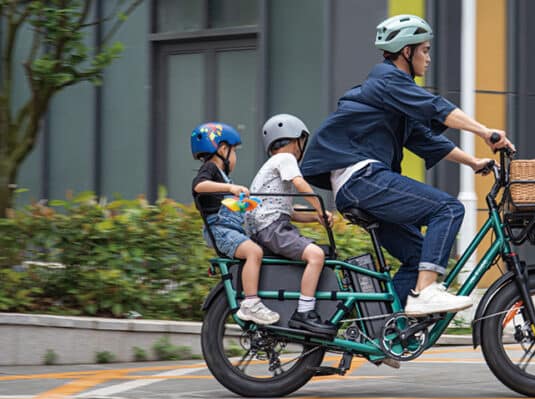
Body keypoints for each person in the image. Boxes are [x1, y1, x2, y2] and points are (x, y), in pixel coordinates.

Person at [300, 14, 515, 316]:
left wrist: (472, 162)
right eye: (424, 50)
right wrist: (485, 132)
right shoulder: (386, 80)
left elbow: (425, 139)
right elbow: (435, 107)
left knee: (416, 256)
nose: (428, 58)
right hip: (362, 179)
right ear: (406, 52)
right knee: (448, 208)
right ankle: (425, 292)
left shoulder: (393, 97)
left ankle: (388, 330)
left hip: (361, 186)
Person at [245, 114, 337, 336]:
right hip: (273, 228)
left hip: (270, 227)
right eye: (302, 142)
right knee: (316, 255)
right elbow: (300, 184)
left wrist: (315, 217)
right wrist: (318, 207)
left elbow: (289, 212)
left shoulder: (271, 165)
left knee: (318, 252)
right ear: (295, 140)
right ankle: (304, 313)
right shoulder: (285, 159)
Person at [190, 122, 280, 325]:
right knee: (254, 252)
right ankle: (251, 304)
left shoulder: (222, 178)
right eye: (234, 151)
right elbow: (199, 186)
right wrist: (231, 190)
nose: (235, 157)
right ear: (222, 149)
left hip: (228, 229)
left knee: (258, 252)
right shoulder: (211, 168)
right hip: (220, 230)